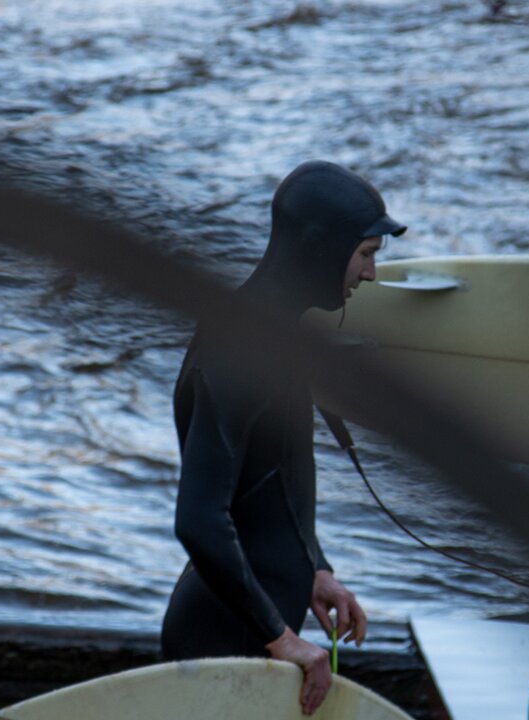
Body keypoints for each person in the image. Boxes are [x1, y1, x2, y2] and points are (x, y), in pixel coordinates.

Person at [162, 160, 405, 716]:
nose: (368, 275)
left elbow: (270, 487)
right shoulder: (239, 352)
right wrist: (280, 637)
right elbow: (199, 519)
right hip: (226, 643)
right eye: (366, 254)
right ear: (322, 247)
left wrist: (315, 569)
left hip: (249, 631)